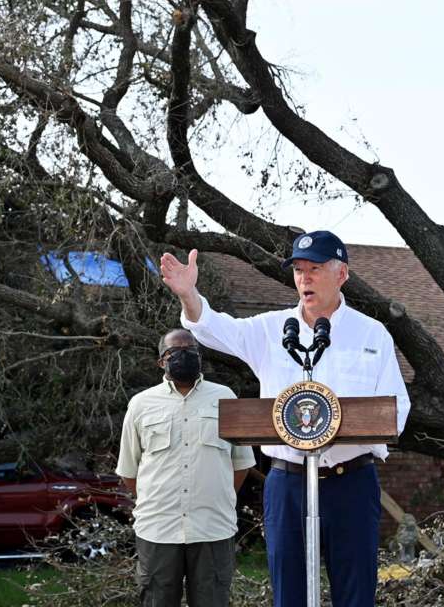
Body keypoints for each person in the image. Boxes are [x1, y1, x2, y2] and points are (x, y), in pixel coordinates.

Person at [160, 230, 411, 607]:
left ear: (341, 274)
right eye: (298, 270)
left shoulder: (372, 333)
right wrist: (189, 295)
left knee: (356, 593)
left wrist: (356, 427)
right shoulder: (272, 329)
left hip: (351, 483)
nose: (304, 278)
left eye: (315, 269)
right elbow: (213, 328)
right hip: (288, 482)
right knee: (288, 593)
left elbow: (397, 409)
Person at [117, 329, 257, 607]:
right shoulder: (141, 404)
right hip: (158, 528)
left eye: (190, 350)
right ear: (161, 362)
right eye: (175, 352)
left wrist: (216, 497)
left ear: (200, 357)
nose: (184, 356)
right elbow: (129, 472)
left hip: (213, 528)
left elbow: (240, 464)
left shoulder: (226, 397)